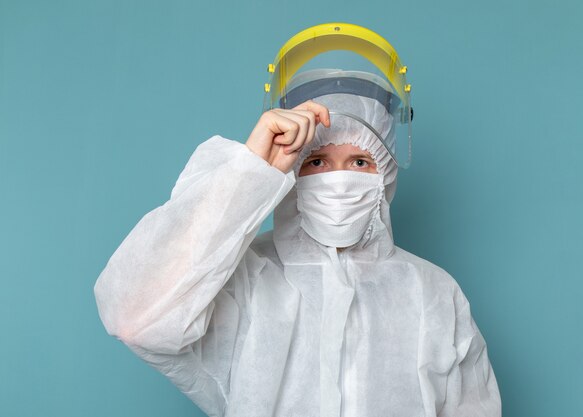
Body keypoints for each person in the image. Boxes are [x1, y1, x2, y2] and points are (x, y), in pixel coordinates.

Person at [95, 23, 501, 417]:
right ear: (291, 173)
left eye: (360, 161)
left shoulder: (432, 292)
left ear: (385, 174)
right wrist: (252, 170)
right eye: (316, 161)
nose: (338, 181)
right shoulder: (242, 278)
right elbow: (136, 318)